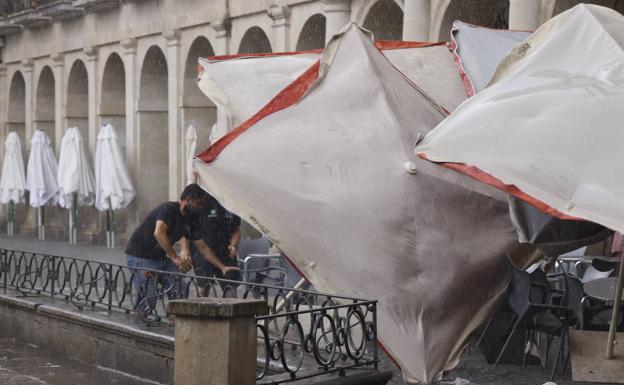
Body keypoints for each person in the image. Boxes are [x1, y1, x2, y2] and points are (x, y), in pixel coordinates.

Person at [125, 183, 238, 314]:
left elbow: (202, 247)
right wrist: (176, 258)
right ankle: (140, 320)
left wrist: (222, 267)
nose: (201, 208)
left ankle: (175, 321)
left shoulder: (191, 219)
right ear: (188, 200)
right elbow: (159, 233)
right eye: (198, 204)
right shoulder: (168, 208)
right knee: (149, 298)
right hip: (139, 255)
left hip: (159, 257)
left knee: (180, 288)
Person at [188, 191, 241, 296]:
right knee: (203, 287)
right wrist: (184, 249)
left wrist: (234, 245)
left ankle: (229, 310)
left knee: (230, 287)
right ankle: (199, 309)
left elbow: (236, 230)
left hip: (225, 252)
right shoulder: (202, 200)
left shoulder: (232, 204)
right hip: (202, 252)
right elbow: (186, 227)